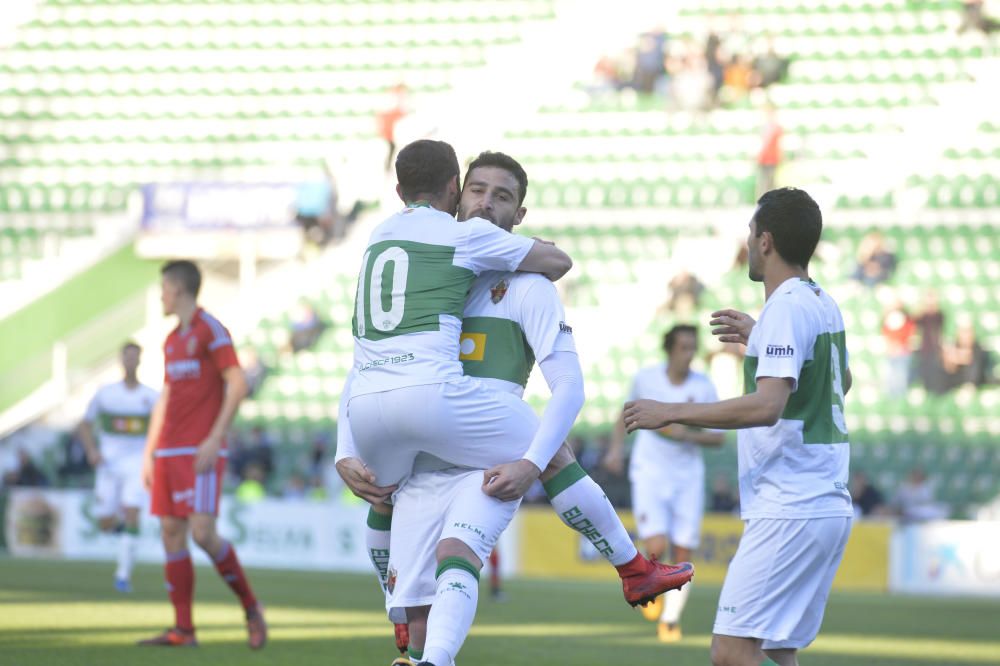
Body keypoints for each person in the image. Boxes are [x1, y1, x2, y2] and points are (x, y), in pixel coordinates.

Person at [337, 151, 693, 666]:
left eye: (502, 196)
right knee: (411, 603)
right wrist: (343, 451)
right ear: (456, 194)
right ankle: (415, 642)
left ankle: (631, 569)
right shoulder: (439, 267)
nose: (485, 203)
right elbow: (365, 362)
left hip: (486, 459)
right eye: (477, 190)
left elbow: (569, 385)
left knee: (461, 550)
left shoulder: (527, 289)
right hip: (432, 449)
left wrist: (529, 465)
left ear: (518, 217)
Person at [623, 188, 853, 666]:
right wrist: (764, 338)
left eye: (750, 234)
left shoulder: (787, 308)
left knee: (730, 652)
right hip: (822, 501)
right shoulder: (821, 302)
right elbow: (838, 380)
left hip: (791, 505)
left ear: (765, 241)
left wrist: (670, 411)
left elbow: (767, 406)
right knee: (776, 648)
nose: (747, 244)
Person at [138, 260, 266, 649]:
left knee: (202, 533)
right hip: (169, 453)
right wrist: (149, 451)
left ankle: (250, 607)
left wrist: (215, 438)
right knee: (170, 533)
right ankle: (184, 630)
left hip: (200, 452)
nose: (160, 294)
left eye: (163, 288)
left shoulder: (210, 330)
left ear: (177, 289)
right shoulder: (171, 340)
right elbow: (166, 398)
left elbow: (238, 382)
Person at [605, 324, 724, 643]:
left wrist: (690, 435)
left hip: (687, 476)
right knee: (656, 546)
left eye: (692, 348)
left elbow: (719, 437)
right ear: (670, 349)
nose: (689, 355)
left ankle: (670, 619)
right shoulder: (647, 378)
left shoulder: (703, 387)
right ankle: (650, 586)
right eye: (683, 347)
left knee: (684, 548)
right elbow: (625, 414)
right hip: (650, 472)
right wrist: (616, 449)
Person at [77, 341, 159, 593]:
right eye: (127, 356)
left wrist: (152, 458)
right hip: (108, 465)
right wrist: (91, 449)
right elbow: (84, 424)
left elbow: (161, 430)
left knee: (133, 512)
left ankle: (123, 575)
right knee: (105, 522)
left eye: (135, 357)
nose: (131, 361)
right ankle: (124, 532)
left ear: (141, 360)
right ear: (121, 360)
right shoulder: (106, 394)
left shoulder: (151, 397)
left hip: (137, 464)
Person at [881, 296, 916, 398]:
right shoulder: (889, 317)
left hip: (902, 352)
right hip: (892, 352)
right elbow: (885, 331)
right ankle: (892, 397)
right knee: (891, 377)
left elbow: (910, 332)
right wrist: (891, 345)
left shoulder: (907, 318)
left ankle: (900, 398)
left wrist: (900, 345)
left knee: (901, 377)